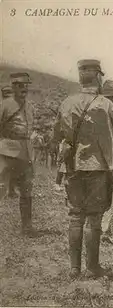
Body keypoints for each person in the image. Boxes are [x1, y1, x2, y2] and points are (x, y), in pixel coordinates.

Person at [54, 59, 113, 278]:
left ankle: (74, 268)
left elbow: (57, 135)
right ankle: (92, 268)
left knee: (75, 217)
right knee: (94, 217)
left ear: (80, 78)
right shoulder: (106, 105)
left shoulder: (67, 103)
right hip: (98, 168)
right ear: (98, 77)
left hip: (72, 167)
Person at [0, 73, 36, 235]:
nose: (24, 89)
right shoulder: (5, 105)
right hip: (7, 151)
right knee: (1, 187)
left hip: (25, 152)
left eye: (26, 85)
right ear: (13, 87)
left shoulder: (30, 106)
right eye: (20, 85)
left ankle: (26, 227)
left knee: (27, 189)